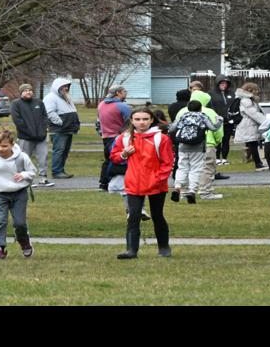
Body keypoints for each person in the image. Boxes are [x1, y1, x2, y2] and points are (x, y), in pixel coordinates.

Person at [109, 107, 176, 259]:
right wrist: (123, 154)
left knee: (157, 215)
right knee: (133, 216)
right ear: (132, 121)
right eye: (138, 119)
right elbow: (114, 157)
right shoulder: (124, 138)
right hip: (134, 183)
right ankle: (131, 250)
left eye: (145, 119)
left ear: (152, 120)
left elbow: (168, 162)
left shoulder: (161, 138)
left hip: (156, 184)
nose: (141, 122)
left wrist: (158, 179)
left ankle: (164, 247)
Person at [0, 128, 36, 261]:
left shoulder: (21, 157)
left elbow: (32, 171)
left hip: (18, 193)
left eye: (4, 146)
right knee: (0, 221)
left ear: (12, 144)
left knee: (19, 223)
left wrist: (24, 174)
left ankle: (24, 241)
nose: (0, 149)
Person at [171, 90, 222, 203]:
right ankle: (192, 191)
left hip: (183, 146)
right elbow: (213, 128)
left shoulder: (183, 115)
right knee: (195, 169)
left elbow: (172, 128)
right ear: (200, 107)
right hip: (198, 146)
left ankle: (178, 187)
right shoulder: (203, 115)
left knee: (182, 167)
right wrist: (219, 121)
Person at [11, 84, 52, 186]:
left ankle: (43, 177)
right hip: (25, 137)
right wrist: (28, 132)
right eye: (25, 90)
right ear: (21, 93)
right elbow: (18, 120)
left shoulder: (38, 102)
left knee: (43, 157)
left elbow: (44, 117)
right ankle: (25, 179)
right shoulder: (16, 104)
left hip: (41, 137)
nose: (28, 92)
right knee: (24, 158)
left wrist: (44, 130)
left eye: (30, 90)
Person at [43, 77, 79, 179]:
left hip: (68, 129)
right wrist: (60, 123)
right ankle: (56, 171)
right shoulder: (50, 97)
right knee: (59, 151)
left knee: (65, 151)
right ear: (57, 87)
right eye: (63, 86)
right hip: (59, 130)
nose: (66, 88)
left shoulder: (66, 97)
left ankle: (61, 170)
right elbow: (49, 112)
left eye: (67, 86)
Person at [95, 86, 131, 187]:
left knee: (108, 159)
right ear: (118, 93)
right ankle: (113, 182)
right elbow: (130, 122)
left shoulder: (101, 104)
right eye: (124, 91)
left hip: (105, 137)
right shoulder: (122, 106)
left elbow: (98, 121)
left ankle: (103, 182)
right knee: (118, 159)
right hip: (118, 137)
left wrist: (101, 133)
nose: (126, 93)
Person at [235, 81, 268, 171]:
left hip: (250, 124)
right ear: (250, 90)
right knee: (253, 144)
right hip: (249, 125)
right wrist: (266, 122)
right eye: (256, 90)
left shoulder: (248, 100)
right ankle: (258, 164)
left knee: (253, 144)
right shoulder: (246, 101)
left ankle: (257, 162)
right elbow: (253, 113)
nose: (257, 92)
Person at [213, 78, 240, 165]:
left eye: (225, 83)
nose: (224, 85)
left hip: (228, 121)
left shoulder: (232, 94)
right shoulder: (212, 94)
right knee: (217, 140)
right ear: (218, 84)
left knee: (226, 140)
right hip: (217, 120)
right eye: (222, 83)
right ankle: (217, 158)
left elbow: (235, 105)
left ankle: (224, 158)